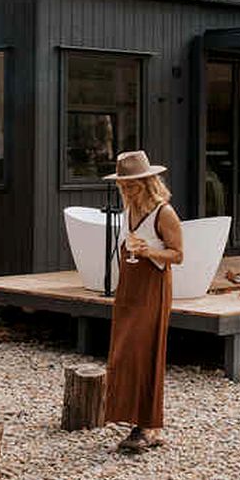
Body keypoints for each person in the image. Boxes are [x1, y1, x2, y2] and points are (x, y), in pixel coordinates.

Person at [102, 149, 183, 454]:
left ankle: (147, 425)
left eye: (132, 185)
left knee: (144, 351)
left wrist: (149, 252)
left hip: (152, 287)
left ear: (148, 183)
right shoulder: (129, 211)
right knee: (123, 352)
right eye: (123, 185)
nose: (127, 190)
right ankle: (136, 420)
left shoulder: (164, 213)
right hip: (129, 287)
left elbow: (178, 254)